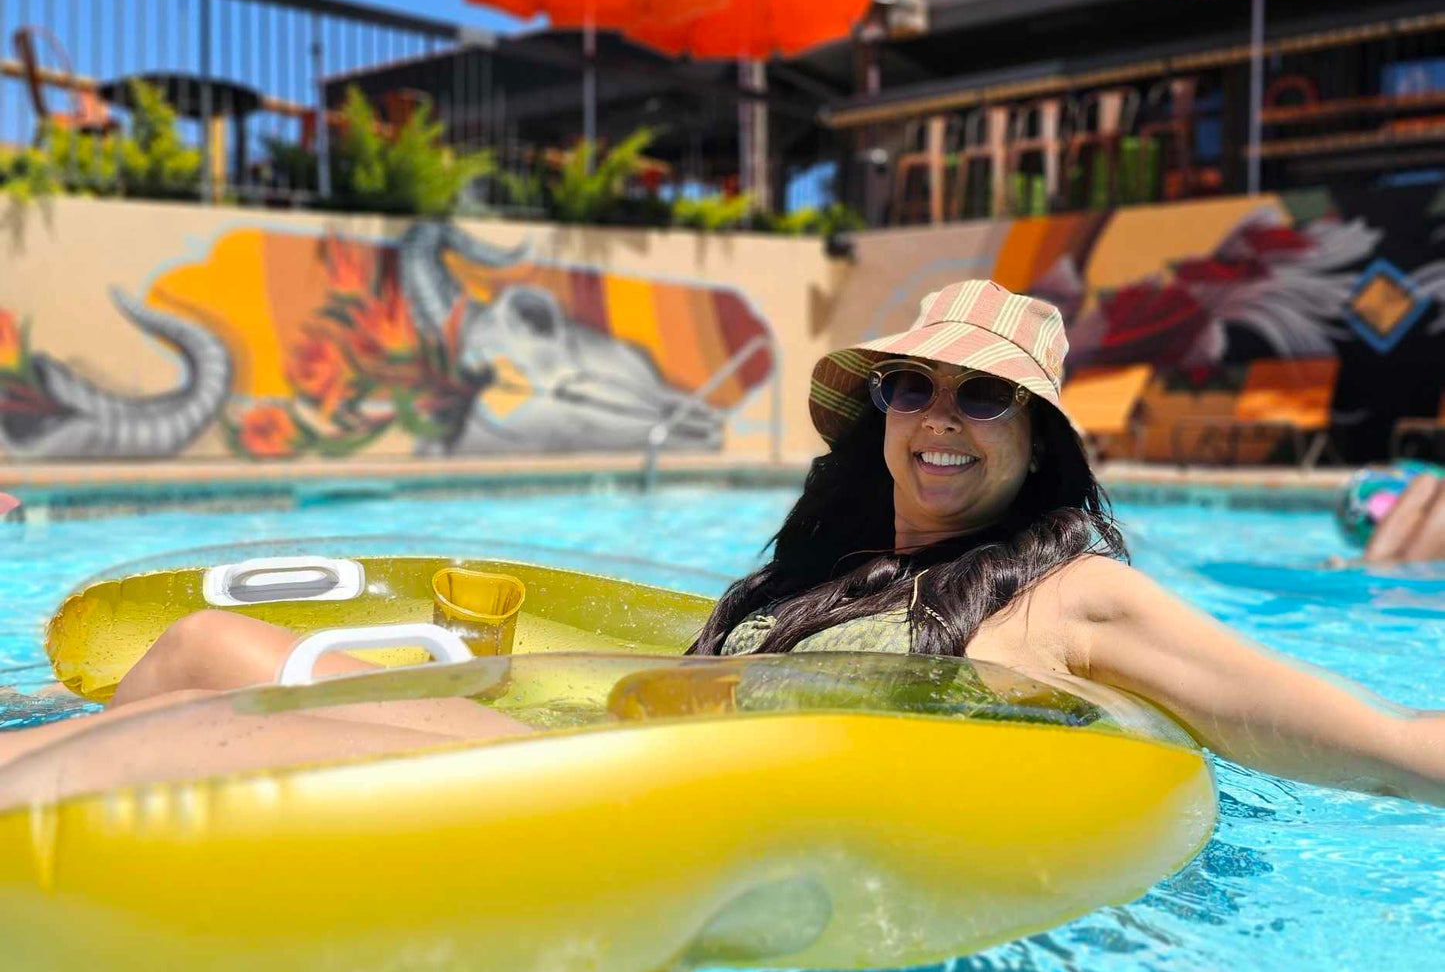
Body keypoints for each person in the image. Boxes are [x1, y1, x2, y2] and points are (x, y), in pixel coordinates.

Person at [0, 281, 1440, 810]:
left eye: (980, 395)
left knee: (192, 748)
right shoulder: (831, 566)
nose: (937, 418)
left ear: (1037, 436)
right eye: (910, 385)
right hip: (571, 737)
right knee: (201, 646)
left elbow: (1362, 732)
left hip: (606, 800)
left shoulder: (1077, 594)